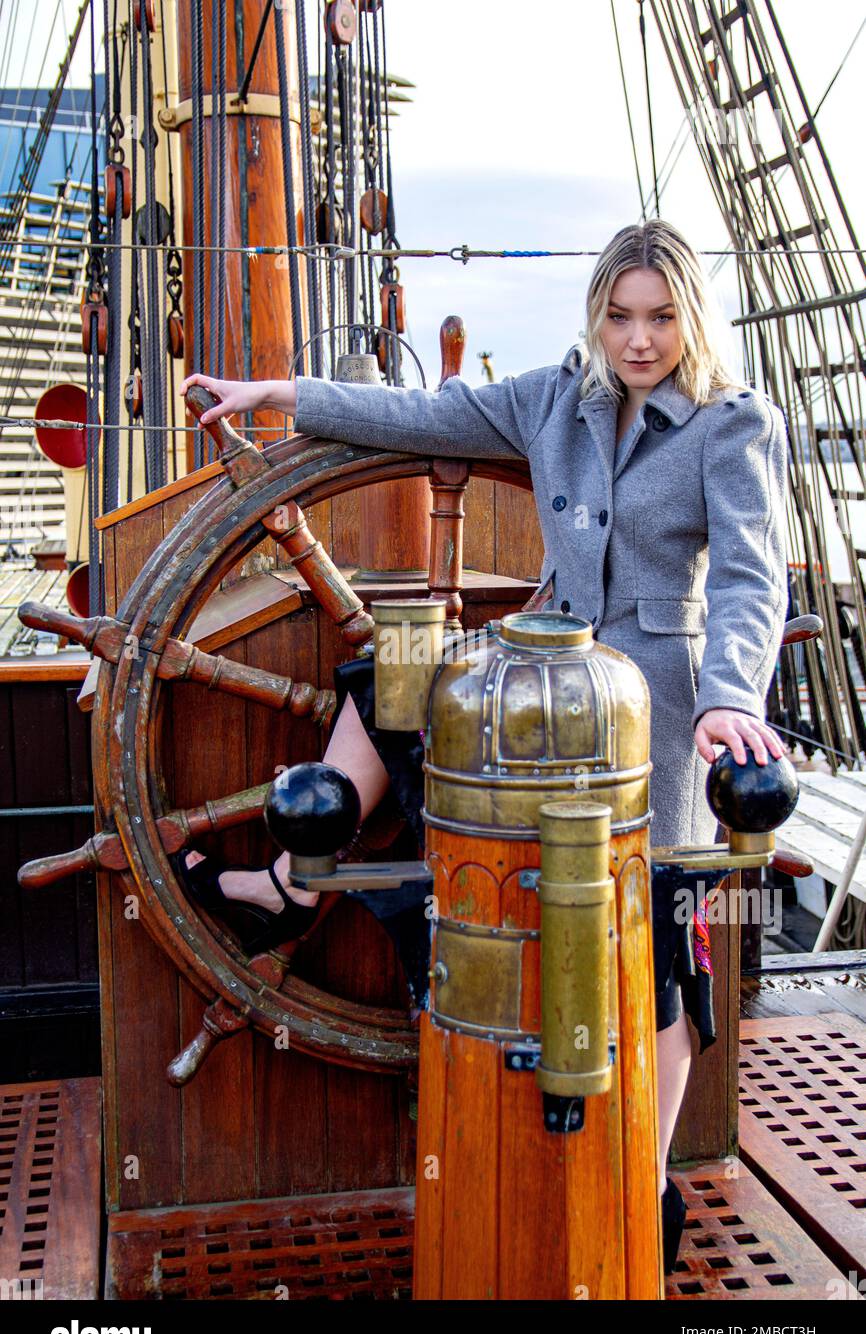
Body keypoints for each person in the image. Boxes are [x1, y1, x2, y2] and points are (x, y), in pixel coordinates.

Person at [178, 219, 789, 1273]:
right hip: (539, 677)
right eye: (618, 315)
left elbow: (748, 577)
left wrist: (729, 697)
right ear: (594, 313)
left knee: (661, 950)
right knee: (388, 684)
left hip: (657, 704)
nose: (637, 340)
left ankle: (642, 1186)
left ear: (688, 318)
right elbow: (419, 412)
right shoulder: (555, 398)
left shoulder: (731, 426)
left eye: (658, 318)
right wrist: (274, 398)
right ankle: (295, 877)